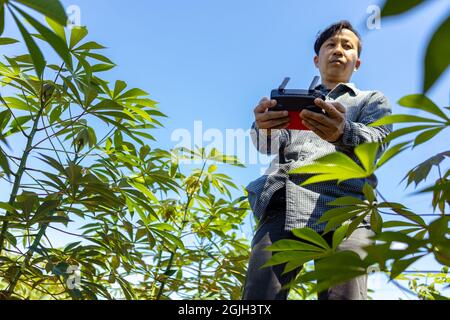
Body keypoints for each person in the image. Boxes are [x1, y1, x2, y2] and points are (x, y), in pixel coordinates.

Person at [242, 20, 393, 300]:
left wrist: (343, 131)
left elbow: (378, 142)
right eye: (330, 45)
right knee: (259, 298)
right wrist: (262, 126)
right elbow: (268, 145)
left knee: (343, 296)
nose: (338, 50)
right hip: (285, 203)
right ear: (316, 59)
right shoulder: (294, 100)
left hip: (347, 210)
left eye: (347, 46)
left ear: (356, 62)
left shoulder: (371, 100)